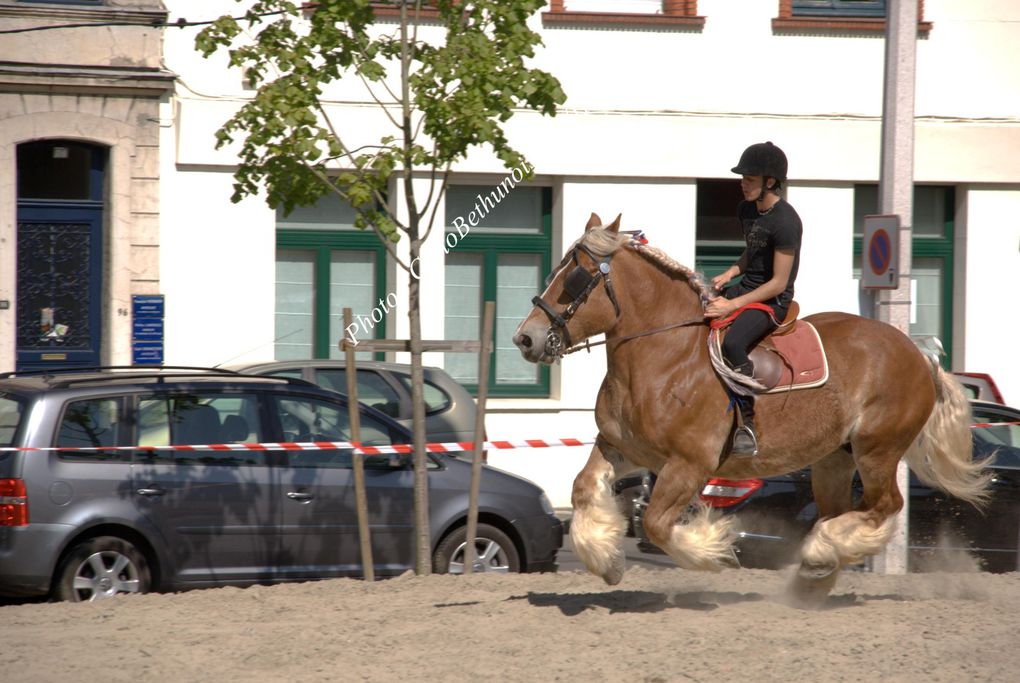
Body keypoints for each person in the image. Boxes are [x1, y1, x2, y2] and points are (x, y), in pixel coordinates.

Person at [704, 141, 802, 456]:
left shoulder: (786, 222)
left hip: (772, 302)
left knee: (733, 344)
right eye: (743, 177)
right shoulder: (746, 209)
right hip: (747, 287)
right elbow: (754, 248)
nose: (742, 183)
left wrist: (732, 304)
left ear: (770, 182)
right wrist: (731, 272)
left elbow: (778, 282)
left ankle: (747, 423)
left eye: (749, 178)